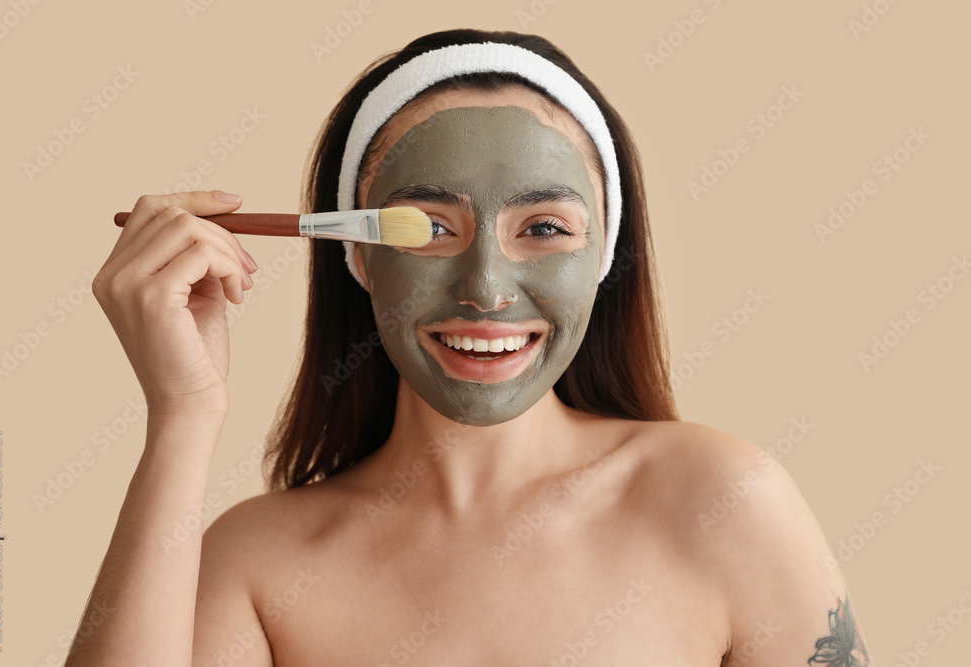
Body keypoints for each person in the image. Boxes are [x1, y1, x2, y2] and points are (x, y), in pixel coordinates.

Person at [67, 29, 872, 666]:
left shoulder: (723, 504)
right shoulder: (259, 564)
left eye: (546, 229)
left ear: (603, 257)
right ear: (357, 252)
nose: (485, 288)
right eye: (432, 228)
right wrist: (184, 413)